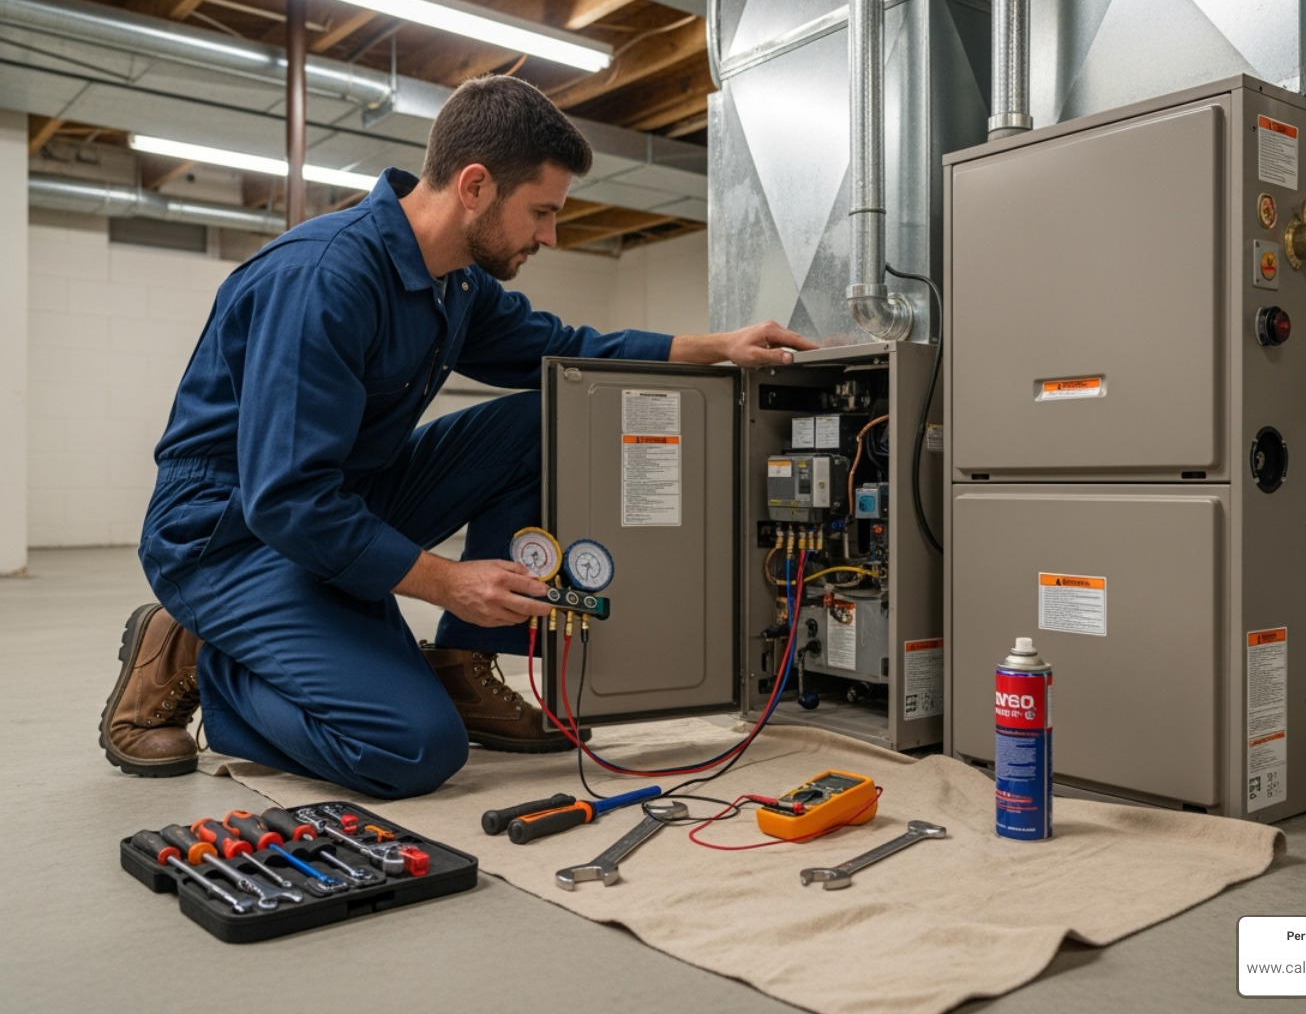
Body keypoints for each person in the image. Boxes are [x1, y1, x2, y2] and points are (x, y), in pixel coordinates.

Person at [99, 75, 813, 799]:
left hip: (344, 499)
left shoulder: (458, 285)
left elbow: (567, 350)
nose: (549, 235)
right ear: (474, 186)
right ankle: (207, 656)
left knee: (551, 413)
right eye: (541, 212)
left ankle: (466, 664)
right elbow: (287, 500)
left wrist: (719, 345)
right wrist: (446, 580)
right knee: (413, 748)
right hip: (229, 537)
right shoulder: (325, 278)